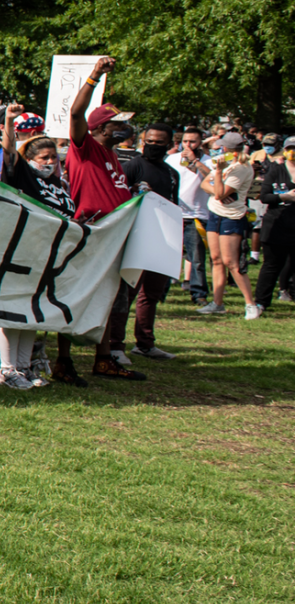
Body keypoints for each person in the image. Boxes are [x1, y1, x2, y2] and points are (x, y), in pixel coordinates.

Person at [61, 59, 148, 378]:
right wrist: (95, 76)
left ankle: (104, 358)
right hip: (92, 231)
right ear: (99, 128)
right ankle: (63, 360)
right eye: (117, 124)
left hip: (114, 234)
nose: (124, 129)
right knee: (76, 294)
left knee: (110, 295)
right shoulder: (84, 148)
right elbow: (75, 114)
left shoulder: (113, 154)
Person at [0, 108, 86, 388]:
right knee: (13, 310)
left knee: (33, 311)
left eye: (53, 157)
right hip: (21, 251)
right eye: (44, 157)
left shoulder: (59, 183)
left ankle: (24, 367)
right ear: (29, 159)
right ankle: (6, 369)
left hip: (48, 256)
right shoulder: (22, 175)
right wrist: (9, 121)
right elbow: (9, 151)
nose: (50, 162)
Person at [113, 123, 179, 360]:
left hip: (161, 238)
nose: (152, 146)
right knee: (127, 293)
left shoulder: (172, 173)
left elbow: (173, 205)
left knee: (152, 293)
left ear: (169, 145)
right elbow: (119, 198)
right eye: (149, 141)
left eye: (159, 143)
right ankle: (115, 345)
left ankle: (145, 343)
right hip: (136, 236)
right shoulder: (133, 166)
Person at [198, 131, 259, 318]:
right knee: (216, 259)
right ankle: (217, 303)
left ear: (228, 148)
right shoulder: (227, 164)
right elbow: (205, 184)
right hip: (215, 214)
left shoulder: (241, 168)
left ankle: (250, 304)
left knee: (231, 262)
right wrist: (216, 186)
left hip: (231, 217)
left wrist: (217, 173)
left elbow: (220, 193)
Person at [252, 135, 295, 312]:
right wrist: (284, 197)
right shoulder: (276, 170)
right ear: (284, 150)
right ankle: (261, 303)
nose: (293, 152)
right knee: (272, 265)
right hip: (276, 225)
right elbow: (264, 196)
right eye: (290, 148)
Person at [175, 127, 212, 303]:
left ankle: (199, 293)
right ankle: (161, 291)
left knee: (196, 257)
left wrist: (195, 161)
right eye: (185, 141)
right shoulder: (172, 159)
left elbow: (213, 178)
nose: (188, 145)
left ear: (200, 143)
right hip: (175, 213)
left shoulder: (208, 161)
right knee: (168, 254)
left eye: (192, 142)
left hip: (196, 214)